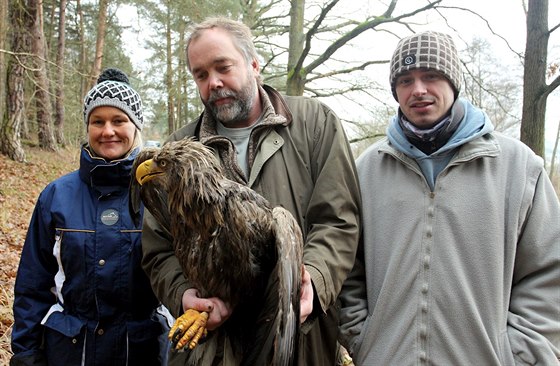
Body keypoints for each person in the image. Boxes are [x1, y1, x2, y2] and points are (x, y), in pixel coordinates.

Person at [141, 17, 361, 365]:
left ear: (254, 64)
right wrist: (185, 296)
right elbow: (157, 249)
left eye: (223, 67)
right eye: (200, 74)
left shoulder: (315, 124)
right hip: (213, 349)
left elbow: (339, 221)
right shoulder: (178, 150)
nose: (213, 82)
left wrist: (314, 281)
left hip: (296, 339)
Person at [338, 30, 560, 365]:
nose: (419, 90)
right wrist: (363, 338)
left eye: (431, 76)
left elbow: (548, 272)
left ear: (454, 82)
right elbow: (346, 270)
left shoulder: (518, 167)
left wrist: (519, 354)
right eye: (405, 80)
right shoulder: (365, 171)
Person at [10, 68, 169, 366]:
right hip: (70, 352)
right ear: (88, 127)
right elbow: (32, 287)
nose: (108, 131)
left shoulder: (160, 196)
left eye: (119, 120)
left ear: (135, 126)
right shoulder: (55, 196)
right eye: (98, 121)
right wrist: (26, 354)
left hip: (144, 352)